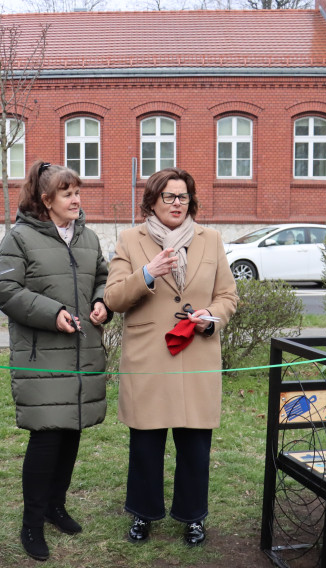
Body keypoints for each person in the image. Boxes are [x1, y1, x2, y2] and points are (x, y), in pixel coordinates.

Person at [103, 167, 238, 547]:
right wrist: (147, 273)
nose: (177, 204)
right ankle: (143, 515)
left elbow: (227, 295)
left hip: (197, 354)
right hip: (149, 358)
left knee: (195, 444)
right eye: (169, 197)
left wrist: (211, 319)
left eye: (183, 197)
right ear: (152, 201)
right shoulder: (131, 240)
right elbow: (113, 298)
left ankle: (192, 517)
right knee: (146, 444)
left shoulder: (210, 240)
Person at [0, 160, 111, 561]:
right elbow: (4, 287)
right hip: (43, 355)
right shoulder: (20, 238)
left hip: (83, 353)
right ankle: (32, 521)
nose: (76, 199)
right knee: (47, 437)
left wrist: (100, 302)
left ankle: (57, 506)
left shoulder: (88, 238)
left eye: (78, 191)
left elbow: (102, 276)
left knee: (72, 430)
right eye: (67, 193)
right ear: (47, 200)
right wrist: (52, 312)